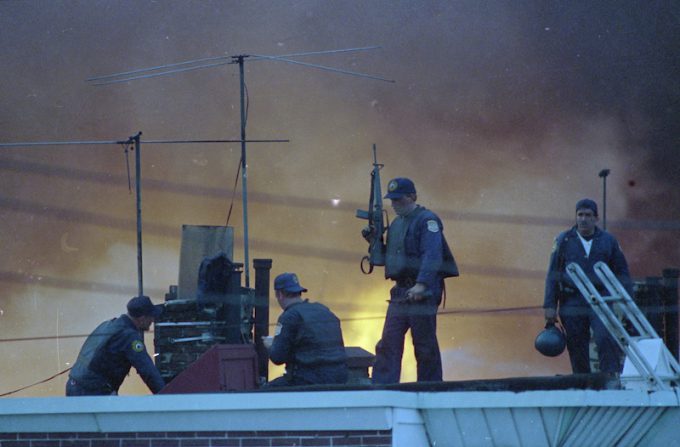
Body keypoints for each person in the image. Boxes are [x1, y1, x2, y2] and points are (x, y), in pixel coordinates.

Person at [368, 177, 458, 384]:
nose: (394, 204)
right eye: (393, 200)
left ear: (412, 197)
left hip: (422, 292)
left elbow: (432, 254)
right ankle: (383, 387)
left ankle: (429, 388)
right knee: (389, 342)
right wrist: (374, 242)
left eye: (399, 199)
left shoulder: (427, 220)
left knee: (424, 345)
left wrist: (422, 284)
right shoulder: (397, 224)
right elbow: (393, 256)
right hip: (401, 291)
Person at [543, 198, 632, 374]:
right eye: (580, 215)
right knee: (576, 345)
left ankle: (609, 379)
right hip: (572, 299)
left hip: (601, 298)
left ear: (596, 218)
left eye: (588, 215)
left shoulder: (608, 241)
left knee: (606, 338)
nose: (583, 219)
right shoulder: (564, 240)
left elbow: (622, 273)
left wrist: (628, 302)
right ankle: (583, 382)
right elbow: (553, 273)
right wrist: (550, 305)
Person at [65, 295, 165, 395]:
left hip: (74, 384)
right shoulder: (129, 336)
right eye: (151, 317)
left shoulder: (108, 325)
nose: (152, 320)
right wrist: (166, 396)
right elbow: (147, 370)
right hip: (91, 391)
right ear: (142, 319)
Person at [263, 272, 348, 386]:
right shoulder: (323, 309)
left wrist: (270, 345)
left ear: (279, 294)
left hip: (308, 380)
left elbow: (277, 358)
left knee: (264, 392)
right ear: (299, 292)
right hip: (339, 378)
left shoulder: (289, 317)